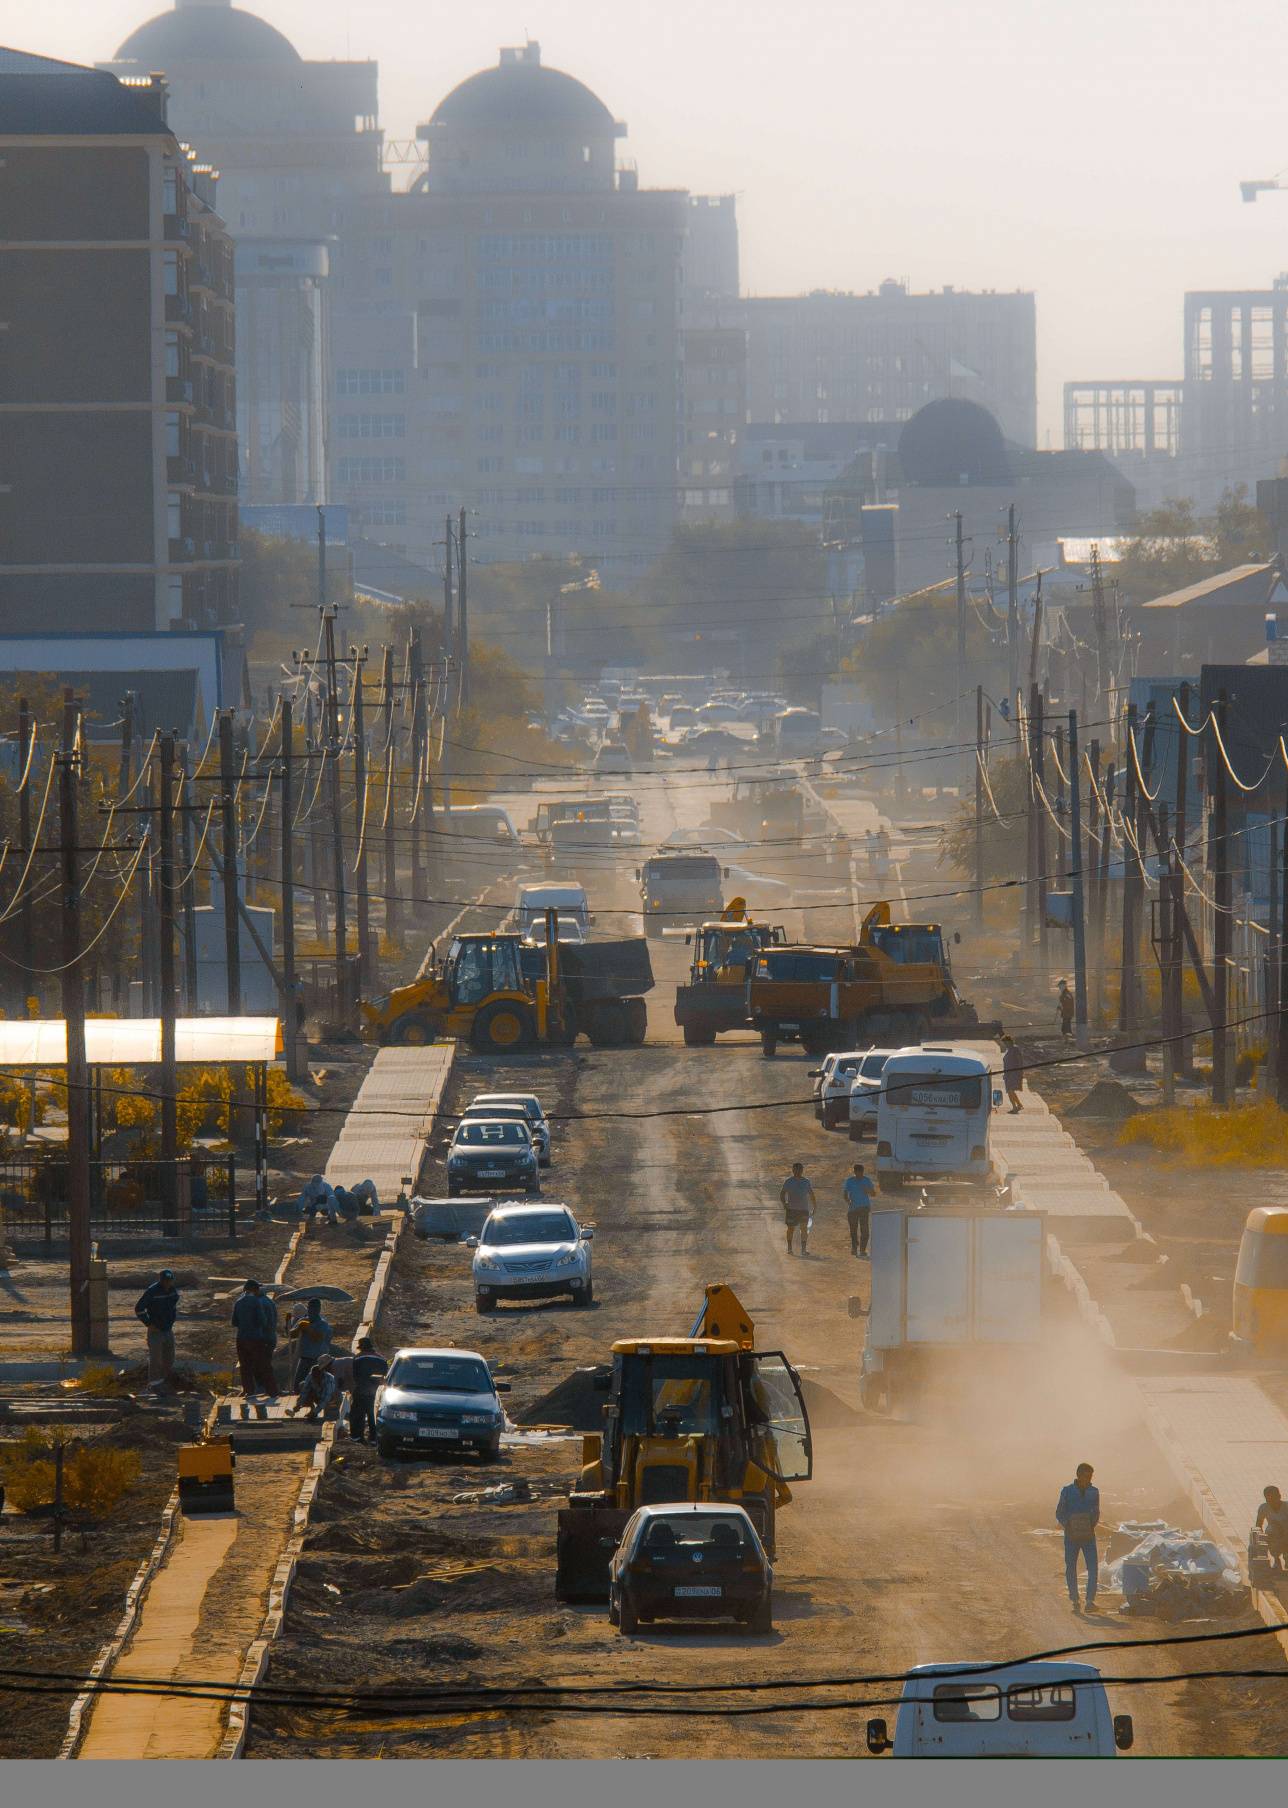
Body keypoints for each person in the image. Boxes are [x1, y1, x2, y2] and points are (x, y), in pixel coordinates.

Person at [1056, 1462, 1101, 1612]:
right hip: (1071, 1536)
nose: (1089, 1479)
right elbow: (1059, 1512)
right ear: (1079, 1475)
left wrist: (1088, 1526)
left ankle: (1089, 1601)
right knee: (1071, 1567)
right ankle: (1075, 1599)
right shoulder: (1067, 1491)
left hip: (1088, 1535)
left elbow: (1096, 1513)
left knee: (1093, 1567)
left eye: (1090, 1476)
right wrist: (1069, 1524)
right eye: (1086, 1476)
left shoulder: (1094, 1492)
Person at [230, 1279, 277, 1398]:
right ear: (254, 1290)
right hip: (256, 1338)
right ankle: (272, 1391)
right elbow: (263, 1321)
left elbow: (234, 1322)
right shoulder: (256, 1302)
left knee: (245, 1366)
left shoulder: (238, 1302)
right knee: (264, 1365)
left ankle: (248, 1391)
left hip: (241, 1338)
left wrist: (244, 1325)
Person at [134, 1269, 180, 1387]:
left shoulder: (172, 1291)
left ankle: (166, 1381)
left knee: (169, 1357)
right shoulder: (152, 1291)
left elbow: (174, 1304)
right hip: (156, 1331)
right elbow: (139, 1308)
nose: (167, 1283)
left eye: (169, 1281)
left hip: (168, 1329)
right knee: (156, 1359)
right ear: (161, 1280)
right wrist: (148, 1324)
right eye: (165, 1281)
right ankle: (154, 1384)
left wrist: (171, 1319)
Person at [288, 1297, 334, 1388]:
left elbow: (317, 1338)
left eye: (314, 1308)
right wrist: (298, 1328)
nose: (311, 1310)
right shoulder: (303, 1321)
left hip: (318, 1360)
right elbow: (291, 1335)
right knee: (298, 1384)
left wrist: (308, 1328)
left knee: (316, 1385)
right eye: (310, 1308)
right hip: (304, 1358)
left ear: (318, 1309)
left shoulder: (322, 1324)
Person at [350, 1336, 388, 1444]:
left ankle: (357, 1437)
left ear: (361, 1347)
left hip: (362, 1390)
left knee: (358, 1414)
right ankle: (373, 1438)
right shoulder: (382, 1359)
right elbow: (385, 1376)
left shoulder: (358, 1358)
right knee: (373, 1414)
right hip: (377, 1392)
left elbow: (355, 1376)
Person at [779, 1162, 816, 1256]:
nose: (798, 1171)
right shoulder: (789, 1181)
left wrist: (815, 1206)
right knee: (791, 1229)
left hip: (804, 1209)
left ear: (802, 1170)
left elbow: (811, 1194)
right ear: (793, 1170)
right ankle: (789, 1248)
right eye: (796, 1169)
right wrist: (784, 1203)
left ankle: (803, 1250)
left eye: (800, 1169)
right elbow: (782, 1193)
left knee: (804, 1229)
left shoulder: (806, 1181)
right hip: (792, 1209)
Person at [289, 1354, 338, 1422]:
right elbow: (304, 1392)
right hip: (319, 1396)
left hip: (332, 1399)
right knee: (302, 1385)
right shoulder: (310, 1376)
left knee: (330, 1416)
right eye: (314, 1377)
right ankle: (312, 1408)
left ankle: (328, 1412)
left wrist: (315, 1412)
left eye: (317, 1377)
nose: (315, 1379)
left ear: (321, 1374)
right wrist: (298, 1405)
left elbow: (326, 1398)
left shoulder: (329, 1379)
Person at [844, 1162, 876, 1258]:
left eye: (860, 1172)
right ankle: (854, 1247)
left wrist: (868, 1191)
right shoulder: (849, 1181)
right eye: (856, 1172)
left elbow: (873, 1193)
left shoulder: (867, 1180)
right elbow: (845, 1193)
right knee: (853, 1230)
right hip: (853, 1208)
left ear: (862, 1172)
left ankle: (862, 1250)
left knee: (864, 1230)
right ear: (854, 1172)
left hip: (864, 1208)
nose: (858, 1174)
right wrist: (848, 1201)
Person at [1256, 1485, 1288, 1572]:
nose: (1272, 1502)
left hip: (1286, 1534)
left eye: (1274, 1498)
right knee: (1270, 1531)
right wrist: (1261, 1539)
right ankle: (1276, 1559)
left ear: (1279, 1497)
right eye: (1268, 1499)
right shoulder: (1263, 1508)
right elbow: (1259, 1524)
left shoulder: (1286, 1507)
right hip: (1274, 1535)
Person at [1001, 1035, 1024, 1113]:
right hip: (1008, 1074)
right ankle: (1019, 1105)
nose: (1005, 1044)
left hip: (1014, 1073)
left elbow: (1020, 1061)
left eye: (1005, 1042)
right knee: (1011, 1090)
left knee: (1010, 1090)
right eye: (1004, 1043)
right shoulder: (1008, 1049)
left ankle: (1014, 1108)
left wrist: (1021, 1073)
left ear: (1009, 1041)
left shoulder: (1015, 1049)